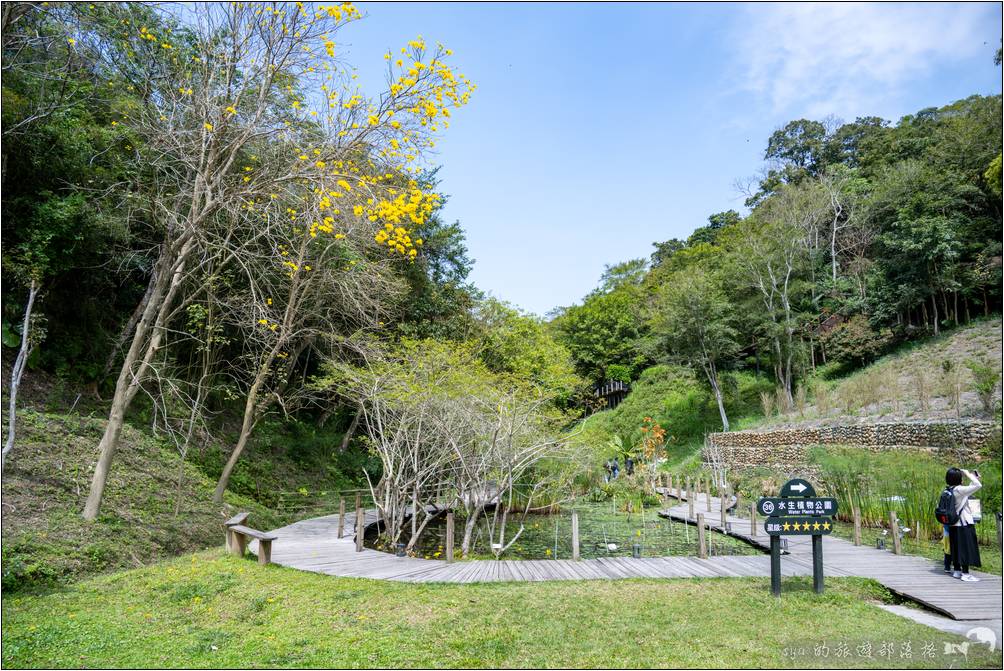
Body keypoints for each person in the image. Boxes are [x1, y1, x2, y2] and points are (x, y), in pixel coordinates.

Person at [945, 467, 982, 582]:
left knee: (956, 548)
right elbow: (978, 486)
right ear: (959, 478)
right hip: (963, 523)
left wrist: (973, 478)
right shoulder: (959, 490)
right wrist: (967, 474)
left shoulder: (950, 489)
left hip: (953, 524)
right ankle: (965, 574)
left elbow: (969, 490)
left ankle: (957, 571)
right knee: (965, 548)